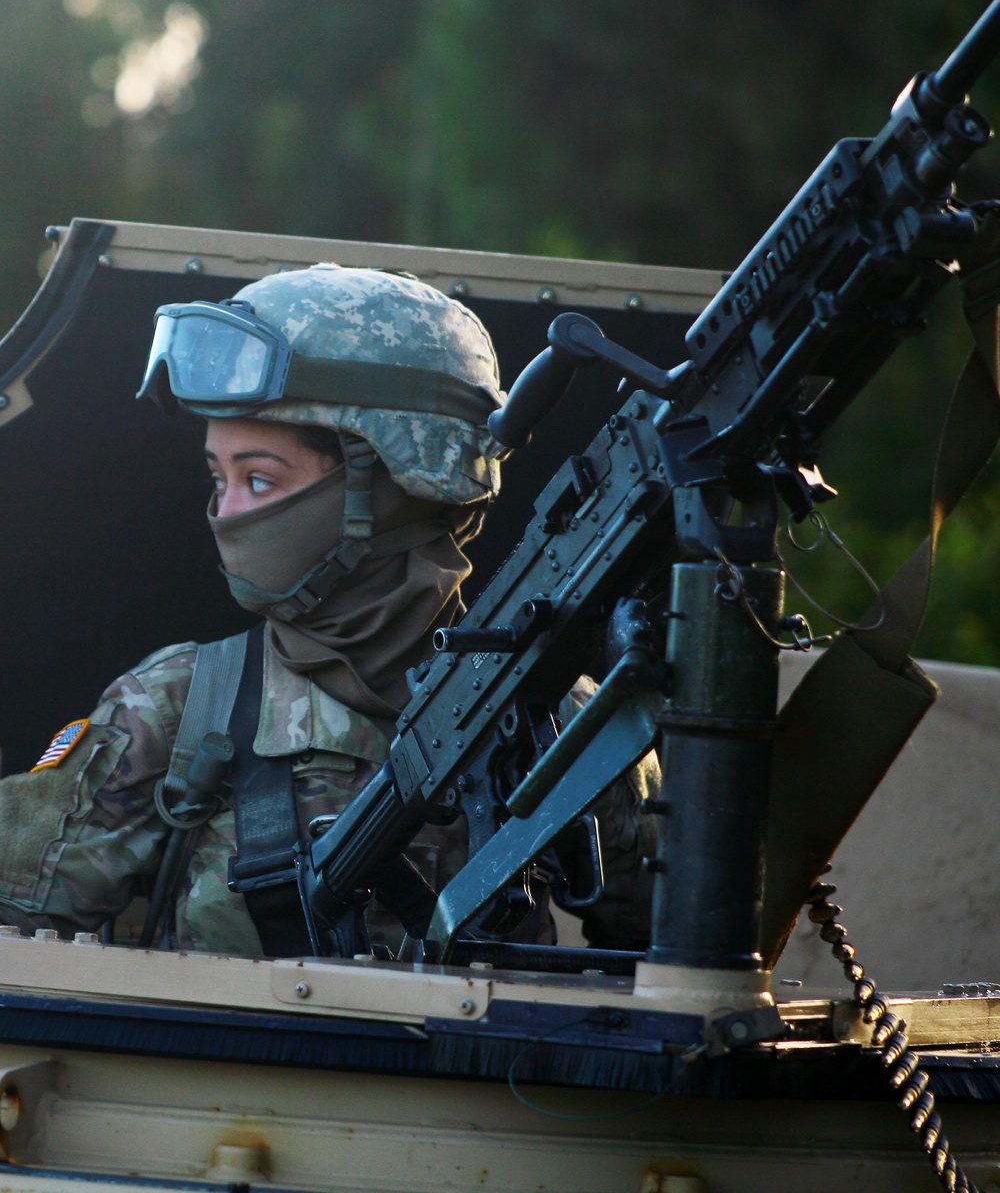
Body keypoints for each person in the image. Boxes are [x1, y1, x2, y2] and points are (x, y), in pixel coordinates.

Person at [0, 265, 656, 957]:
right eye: (218, 479)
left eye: (260, 479)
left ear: (397, 484)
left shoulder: (560, 717)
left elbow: (677, 969)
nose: (226, 513)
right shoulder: (182, 704)